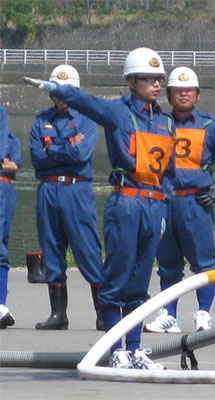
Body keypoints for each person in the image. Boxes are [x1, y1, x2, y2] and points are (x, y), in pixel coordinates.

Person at [24, 48, 175, 370]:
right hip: (127, 203)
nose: (157, 84)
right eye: (148, 78)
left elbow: (170, 175)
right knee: (116, 280)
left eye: (159, 78)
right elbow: (86, 102)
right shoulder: (117, 113)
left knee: (139, 284)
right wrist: (55, 88)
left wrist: (165, 211)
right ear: (131, 82)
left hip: (154, 206)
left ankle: (134, 349)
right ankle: (114, 349)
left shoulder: (166, 121)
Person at [144, 67, 215, 334]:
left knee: (204, 262)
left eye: (188, 91)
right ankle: (169, 316)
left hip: (195, 204)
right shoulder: (159, 122)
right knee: (167, 264)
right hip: (165, 202)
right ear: (169, 95)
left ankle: (203, 313)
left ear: (197, 95)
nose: (183, 95)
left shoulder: (209, 125)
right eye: (178, 91)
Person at [28, 65, 104, 331]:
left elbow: (81, 155)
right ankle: (58, 315)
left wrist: (52, 149)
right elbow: (37, 157)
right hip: (48, 189)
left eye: (67, 90)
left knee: (87, 250)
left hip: (76, 190)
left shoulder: (86, 119)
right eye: (58, 90)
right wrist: (67, 146)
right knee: (51, 249)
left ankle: (103, 313)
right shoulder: (41, 119)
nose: (62, 96)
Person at [0, 113, 22, 329]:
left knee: (2, 247)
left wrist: (5, 164)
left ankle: (1, 304)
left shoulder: (11, 138)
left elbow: (14, 165)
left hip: (5, 189)